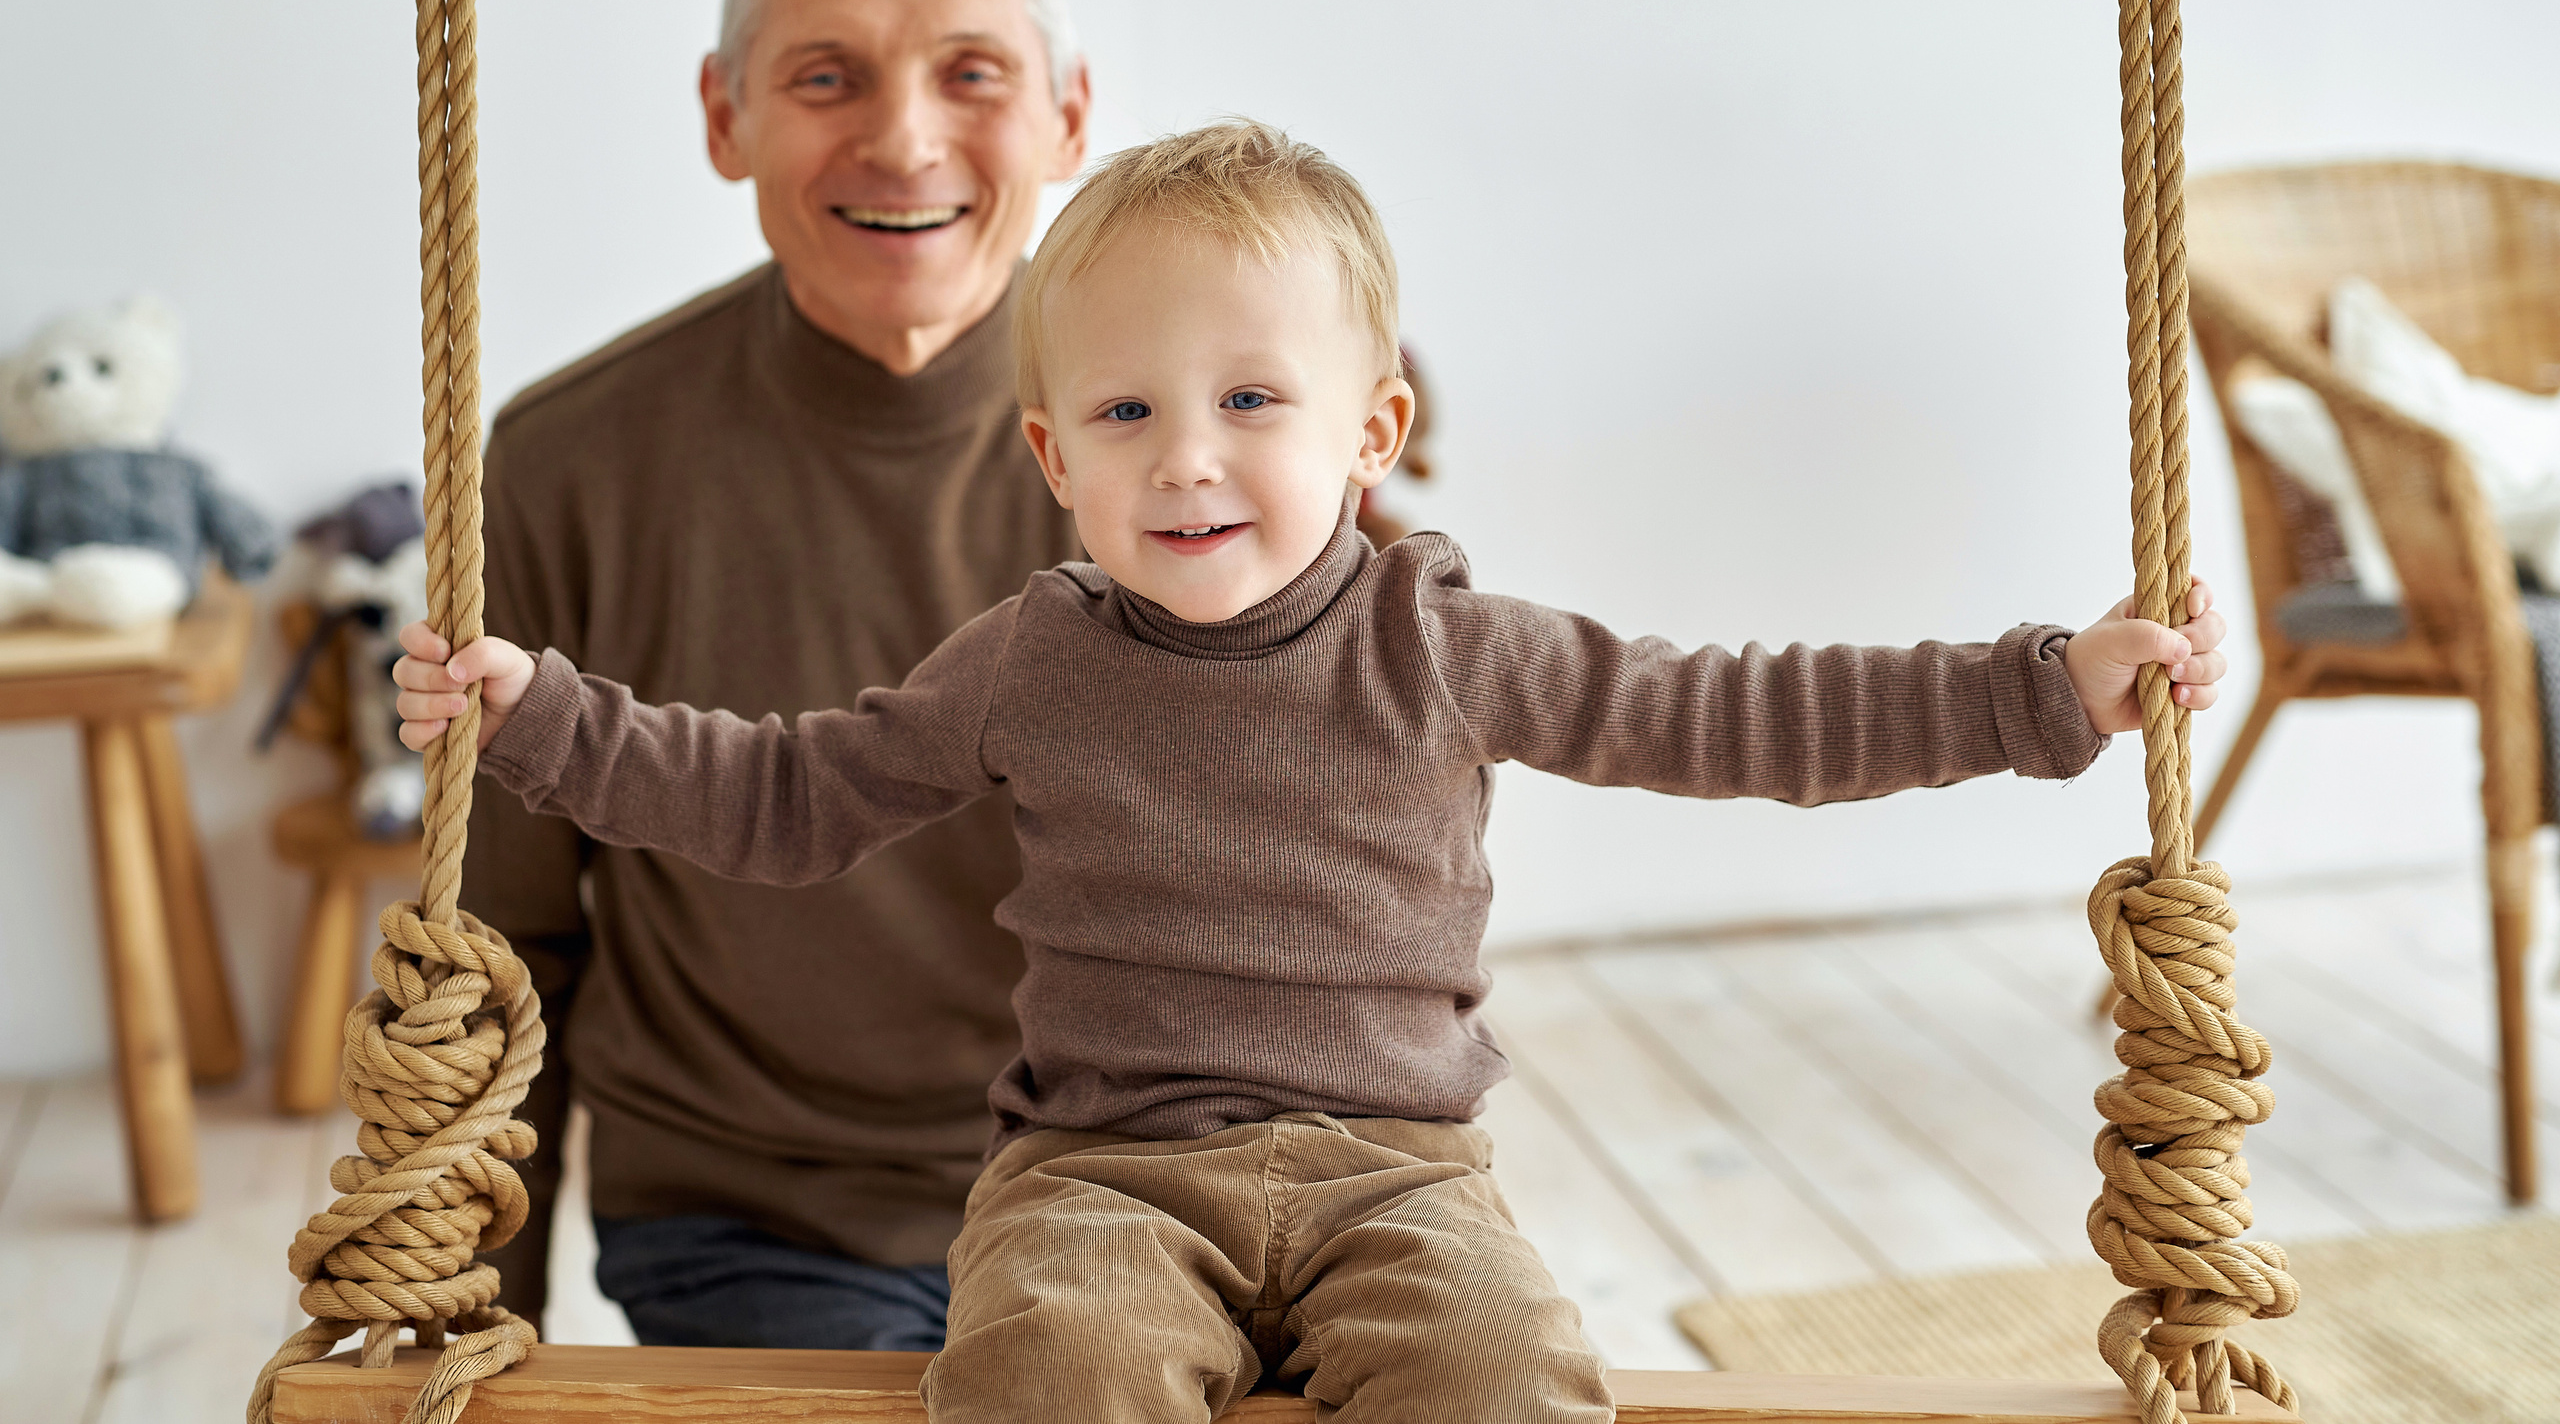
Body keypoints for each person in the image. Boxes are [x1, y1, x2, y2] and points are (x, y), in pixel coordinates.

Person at [404, 120, 2228, 1420]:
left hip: (1400, 1170)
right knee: (1045, 1370)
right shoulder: (1040, 657)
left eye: (1250, 402)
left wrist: (2039, 688)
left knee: (1509, 1380)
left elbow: (1734, 713)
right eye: (1125, 413)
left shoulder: (1439, 638)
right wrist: (544, 710)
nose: (1186, 459)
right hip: (1101, 1172)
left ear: (1372, 431)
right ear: (1052, 453)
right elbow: (791, 795)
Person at [460, 0, 1089, 1349]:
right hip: (759, 1210)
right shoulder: (570, 463)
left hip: (1139, 1186)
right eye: (826, 75)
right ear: (724, 115)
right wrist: (478, 1330)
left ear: (1068, 114)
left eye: (972, 72)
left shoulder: (1206, 449)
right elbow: (505, 941)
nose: (904, 136)